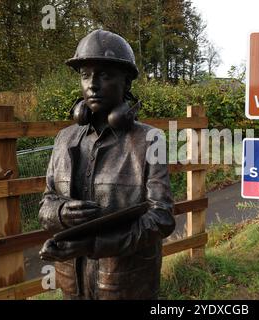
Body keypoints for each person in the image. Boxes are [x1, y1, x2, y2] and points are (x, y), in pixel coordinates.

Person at [38, 29, 175, 300]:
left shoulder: (150, 140)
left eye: (104, 75)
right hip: (72, 285)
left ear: (126, 83)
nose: (92, 84)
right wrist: (62, 212)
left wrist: (96, 244)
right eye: (85, 75)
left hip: (126, 284)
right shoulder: (64, 139)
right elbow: (45, 205)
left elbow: (161, 219)